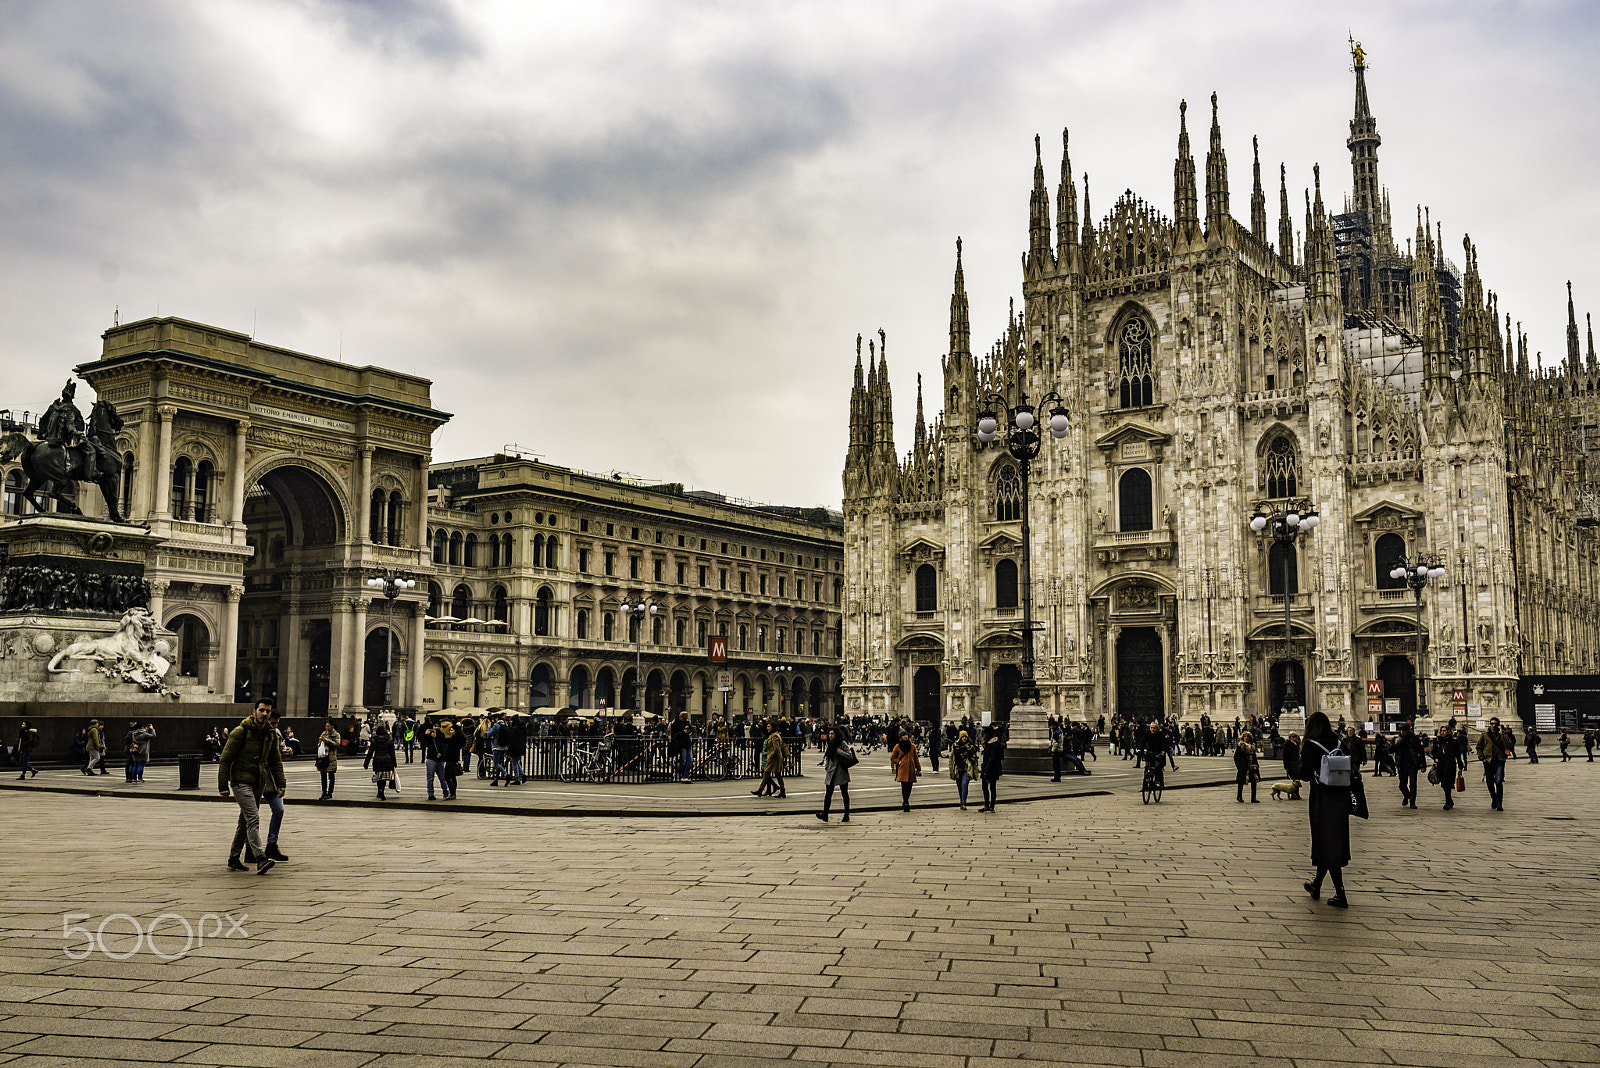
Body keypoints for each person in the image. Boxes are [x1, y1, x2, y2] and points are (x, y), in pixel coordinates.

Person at [218, 701, 284, 875]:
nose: (264, 714)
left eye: (267, 711)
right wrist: (223, 784)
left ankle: (233, 859)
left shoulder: (270, 733)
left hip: (258, 783)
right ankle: (260, 857)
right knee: (253, 818)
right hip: (240, 781)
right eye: (261, 710)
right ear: (254, 712)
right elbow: (225, 759)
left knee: (244, 821)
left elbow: (275, 761)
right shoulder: (241, 731)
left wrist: (281, 783)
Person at [1299, 711, 1351, 908]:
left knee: (1327, 845)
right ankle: (1317, 885)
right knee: (1330, 842)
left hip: (1322, 800)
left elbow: (1303, 774)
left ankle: (1340, 893)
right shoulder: (1339, 743)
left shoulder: (1311, 745)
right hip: (1340, 800)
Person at [257, 705, 291, 863]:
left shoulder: (275, 733)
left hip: (271, 780)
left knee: (278, 810)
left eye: (277, 723)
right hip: (257, 779)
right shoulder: (254, 732)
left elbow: (276, 758)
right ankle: (250, 848)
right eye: (273, 723)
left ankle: (271, 844)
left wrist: (285, 753)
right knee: (250, 817)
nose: (276, 726)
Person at [817, 725, 851, 822]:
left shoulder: (842, 743)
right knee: (828, 794)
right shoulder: (829, 744)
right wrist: (827, 767)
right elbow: (827, 756)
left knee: (844, 793)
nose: (830, 735)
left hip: (841, 771)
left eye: (832, 734)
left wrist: (838, 751)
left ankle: (846, 814)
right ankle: (825, 814)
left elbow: (849, 755)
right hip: (831, 772)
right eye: (829, 733)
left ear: (836, 734)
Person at [1478, 717, 1512, 811]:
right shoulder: (1484, 735)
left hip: (1500, 761)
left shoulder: (1502, 735)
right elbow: (1479, 747)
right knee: (1489, 782)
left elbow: (1509, 745)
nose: (1494, 725)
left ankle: (1499, 802)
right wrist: (1482, 758)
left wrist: (1502, 734)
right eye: (1492, 723)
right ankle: (1494, 798)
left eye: (1496, 724)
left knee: (1498, 781)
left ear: (1499, 725)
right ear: (1490, 724)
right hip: (1488, 761)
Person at [1394, 721, 1425, 809]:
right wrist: (1395, 744)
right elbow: (1390, 750)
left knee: (1413, 784)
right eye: (1400, 730)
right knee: (1402, 785)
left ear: (1408, 730)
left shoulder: (1414, 738)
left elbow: (1421, 751)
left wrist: (1423, 765)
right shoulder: (1397, 738)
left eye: (1403, 730)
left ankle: (1412, 802)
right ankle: (1407, 796)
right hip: (1402, 764)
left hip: (1412, 764)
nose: (1402, 732)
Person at [891, 730, 921, 811]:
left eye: (906, 735)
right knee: (904, 787)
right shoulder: (898, 746)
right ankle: (906, 802)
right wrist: (898, 762)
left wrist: (918, 768)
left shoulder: (912, 746)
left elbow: (916, 758)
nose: (905, 736)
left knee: (909, 787)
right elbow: (892, 758)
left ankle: (906, 801)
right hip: (903, 769)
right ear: (900, 737)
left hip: (911, 769)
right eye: (903, 735)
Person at [950, 729, 978, 810]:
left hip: (967, 768)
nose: (964, 738)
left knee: (964, 784)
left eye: (965, 737)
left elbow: (974, 756)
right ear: (960, 738)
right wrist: (951, 768)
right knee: (959, 786)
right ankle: (961, 800)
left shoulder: (971, 746)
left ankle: (963, 802)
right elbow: (952, 758)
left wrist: (973, 761)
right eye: (963, 737)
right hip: (958, 768)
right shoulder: (955, 746)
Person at [370, 722, 398, 800]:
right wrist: (394, 763)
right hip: (387, 760)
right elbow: (392, 753)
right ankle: (382, 791)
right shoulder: (389, 740)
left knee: (379, 777)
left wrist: (366, 763)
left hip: (377, 760)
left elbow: (370, 752)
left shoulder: (374, 740)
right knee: (384, 777)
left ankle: (380, 791)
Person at [1433, 723, 1458, 810]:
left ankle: (1448, 802)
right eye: (1442, 731)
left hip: (1450, 764)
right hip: (1441, 764)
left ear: (1448, 732)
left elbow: (1457, 754)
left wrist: (1461, 766)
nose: (1443, 733)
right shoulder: (1437, 741)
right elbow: (1434, 751)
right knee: (1443, 783)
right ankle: (1450, 800)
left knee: (1448, 783)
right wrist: (1435, 758)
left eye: (1444, 731)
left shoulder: (1453, 741)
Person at [979, 724, 1004, 812]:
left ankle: (990, 805)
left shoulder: (994, 743)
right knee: (986, 787)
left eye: (985, 733)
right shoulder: (990, 742)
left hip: (991, 768)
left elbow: (992, 758)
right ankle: (988, 805)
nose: (984, 735)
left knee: (991, 787)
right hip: (988, 767)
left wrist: (986, 770)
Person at [317, 719, 341, 799]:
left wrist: (327, 741)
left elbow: (337, 744)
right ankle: (324, 792)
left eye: (328, 726)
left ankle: (330, 793)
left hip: (331, 757)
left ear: (332, 726)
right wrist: (320, 741)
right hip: (323, 757)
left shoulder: (336, 734)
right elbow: (319, 744)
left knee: (331, 776)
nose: (326, 728)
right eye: (326, 726)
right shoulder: (323, 733)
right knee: (323, 776)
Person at [1235, 730, 1260, 803]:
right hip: (1243, 766)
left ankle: (1253, 797)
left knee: (1254, 781)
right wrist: (1238, 766)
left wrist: (1257, 764)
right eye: (1245, 736)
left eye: (1247, 737)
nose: (1246, 738)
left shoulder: (1252, 746)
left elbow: (1254, 756)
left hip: (1252, 766)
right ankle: (1239, 796)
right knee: (1241, 782)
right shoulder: (1240, 746)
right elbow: (1236, 756)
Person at [670, 711, 693, 782]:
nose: (687, 718)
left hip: (688, 743)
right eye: (685, 717)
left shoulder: (687, 722)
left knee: (690, 760)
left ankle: (685, 775)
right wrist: (683, 731)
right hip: (681, 744)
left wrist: (689, 728)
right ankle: (683, 775)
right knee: (684, 760)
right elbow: (674, 735)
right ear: (681, 716)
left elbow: (691, 729)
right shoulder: (675, 723)